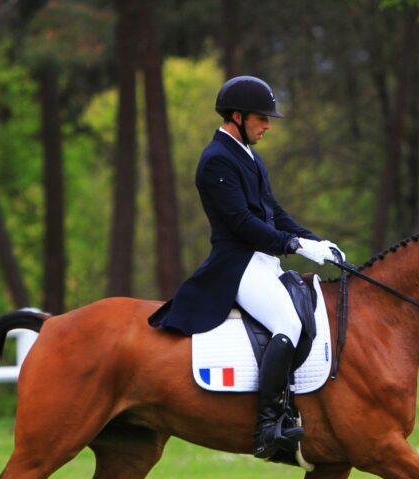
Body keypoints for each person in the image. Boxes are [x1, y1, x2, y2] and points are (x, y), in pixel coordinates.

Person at [148, 75, 346, 459]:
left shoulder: (249, 155)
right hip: (237, 264)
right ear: (237, 116)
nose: (268, 125)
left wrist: (314, 240)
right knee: (287, 323)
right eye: (261, 118)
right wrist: (292, 244)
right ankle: (268, 427)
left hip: (263, 261)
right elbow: (241, 223)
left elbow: (274, 213)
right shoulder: (216, 160)